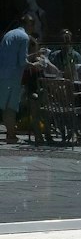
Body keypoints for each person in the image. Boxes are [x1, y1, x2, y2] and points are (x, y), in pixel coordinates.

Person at [0, 14, 28, 144]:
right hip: (13, 76)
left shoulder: (9, 34)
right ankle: (11, 134)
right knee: (11, 106)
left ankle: (10, 133)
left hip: (3, 73)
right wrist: (35, 64)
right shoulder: (24, 37)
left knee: (4, 105)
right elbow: (22, 61)